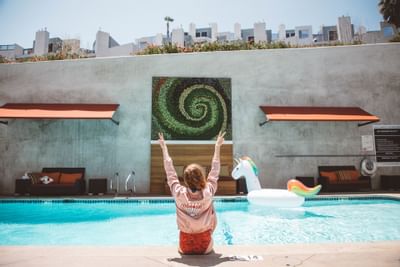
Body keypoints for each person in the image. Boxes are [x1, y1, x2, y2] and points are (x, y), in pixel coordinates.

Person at [158, 131, 225, 255]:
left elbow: (170, 172)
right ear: (201, 177)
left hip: (185, 246)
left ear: (186, 180)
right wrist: (217, 146)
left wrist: (164, 148)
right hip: (205, 246)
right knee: (212, 206)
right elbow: (215, 170)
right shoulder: (208, 192)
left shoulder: (178, 192)